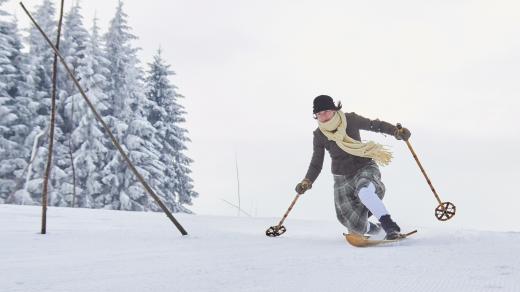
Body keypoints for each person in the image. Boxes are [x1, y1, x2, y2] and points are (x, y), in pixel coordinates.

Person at [295, 95, 411, 240]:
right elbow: (316, 162)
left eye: (325, 111)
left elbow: (375, 125)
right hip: (341, 176)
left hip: (364, 166)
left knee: (364, 191)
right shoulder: (319, 134)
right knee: (348, 219)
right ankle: (375, 230)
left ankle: (390, 227)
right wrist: (307, 180)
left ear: (333, 109)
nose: (322, 116)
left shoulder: (350, 119)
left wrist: (396, 131)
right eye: (318, 114)